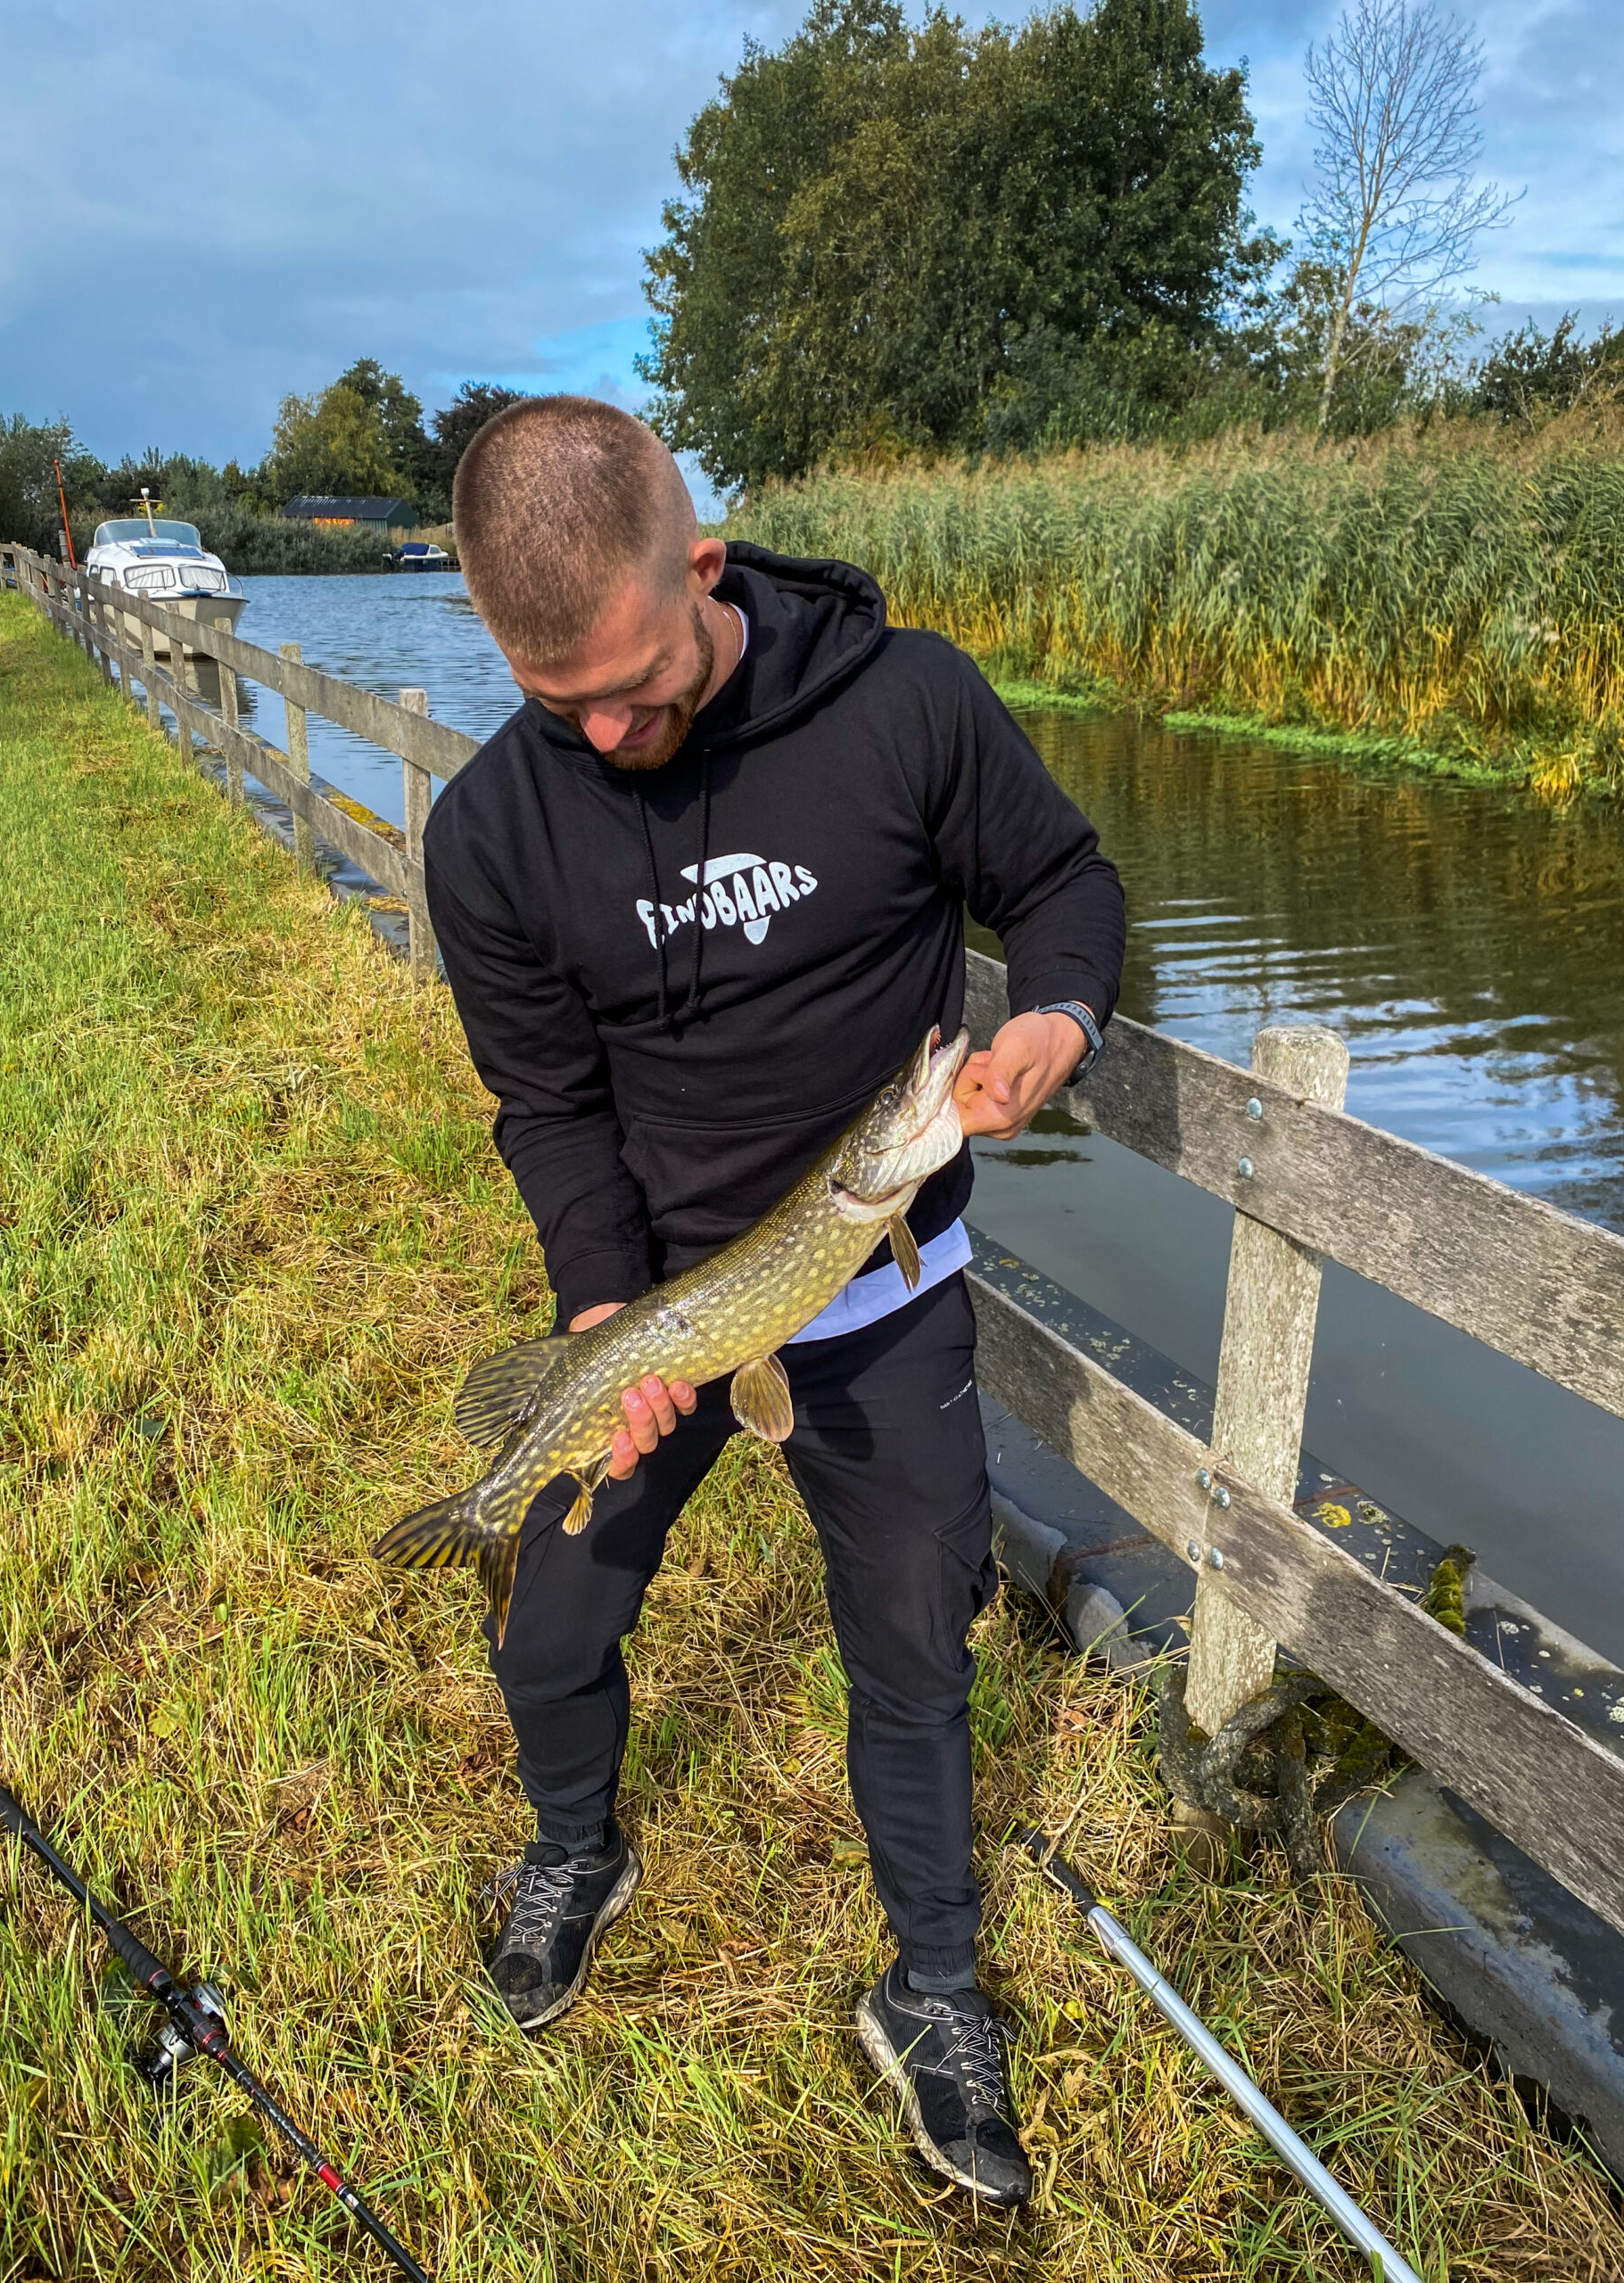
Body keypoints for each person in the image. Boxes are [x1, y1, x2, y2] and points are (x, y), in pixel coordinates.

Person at [422, 396, 1124, 2210]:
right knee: (548, 1624)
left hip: (880, 1284)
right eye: (553, 694)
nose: (603, 731)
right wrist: (598, 1316)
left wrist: (1052, 1016)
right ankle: (576, 1847)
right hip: (654, 1310)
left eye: (640, 685)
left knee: (913, 1637)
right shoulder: (491, 830)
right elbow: (548, 1103)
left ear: (706, 569)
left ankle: (934, 1986)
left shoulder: (905, 704)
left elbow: (1063, 883)